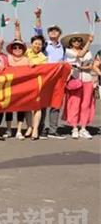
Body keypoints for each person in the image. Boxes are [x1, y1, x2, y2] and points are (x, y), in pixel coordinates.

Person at [33, 8, 66, 139]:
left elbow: (66, 62)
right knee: (43, 104)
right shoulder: (45, 44)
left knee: (56, 104)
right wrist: (38, 16)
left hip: (58, 79)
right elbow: (38, 31)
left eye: (55, 30)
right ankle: (41, 129)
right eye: (51, 30)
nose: (53, 32)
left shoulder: (63, 48)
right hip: (45, 77)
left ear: (59, 34)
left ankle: (53, 130)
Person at [62, 33, 95, 139]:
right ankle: (74, 127)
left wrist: (84, 67)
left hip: (87, 79)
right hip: (75, 80)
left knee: (86, 104)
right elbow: (80, 55)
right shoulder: (68, 51)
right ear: (70, 42)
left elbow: (91, 65)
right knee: (74, 103)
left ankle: (83, 128)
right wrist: (89, 42)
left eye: (79, 40)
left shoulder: (88, 51)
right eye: (74, 40)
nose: (76, 42)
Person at [5, 36, 30, 139]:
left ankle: (19, 131)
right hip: (9, 87)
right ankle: (9, 129)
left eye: (20, 47)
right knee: (8, 109)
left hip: (22, 88)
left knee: (21, 110)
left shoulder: (27, 60)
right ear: (11, 49)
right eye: (15, 47)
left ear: (23, 49)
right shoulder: (7, 58)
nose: (17, 49)